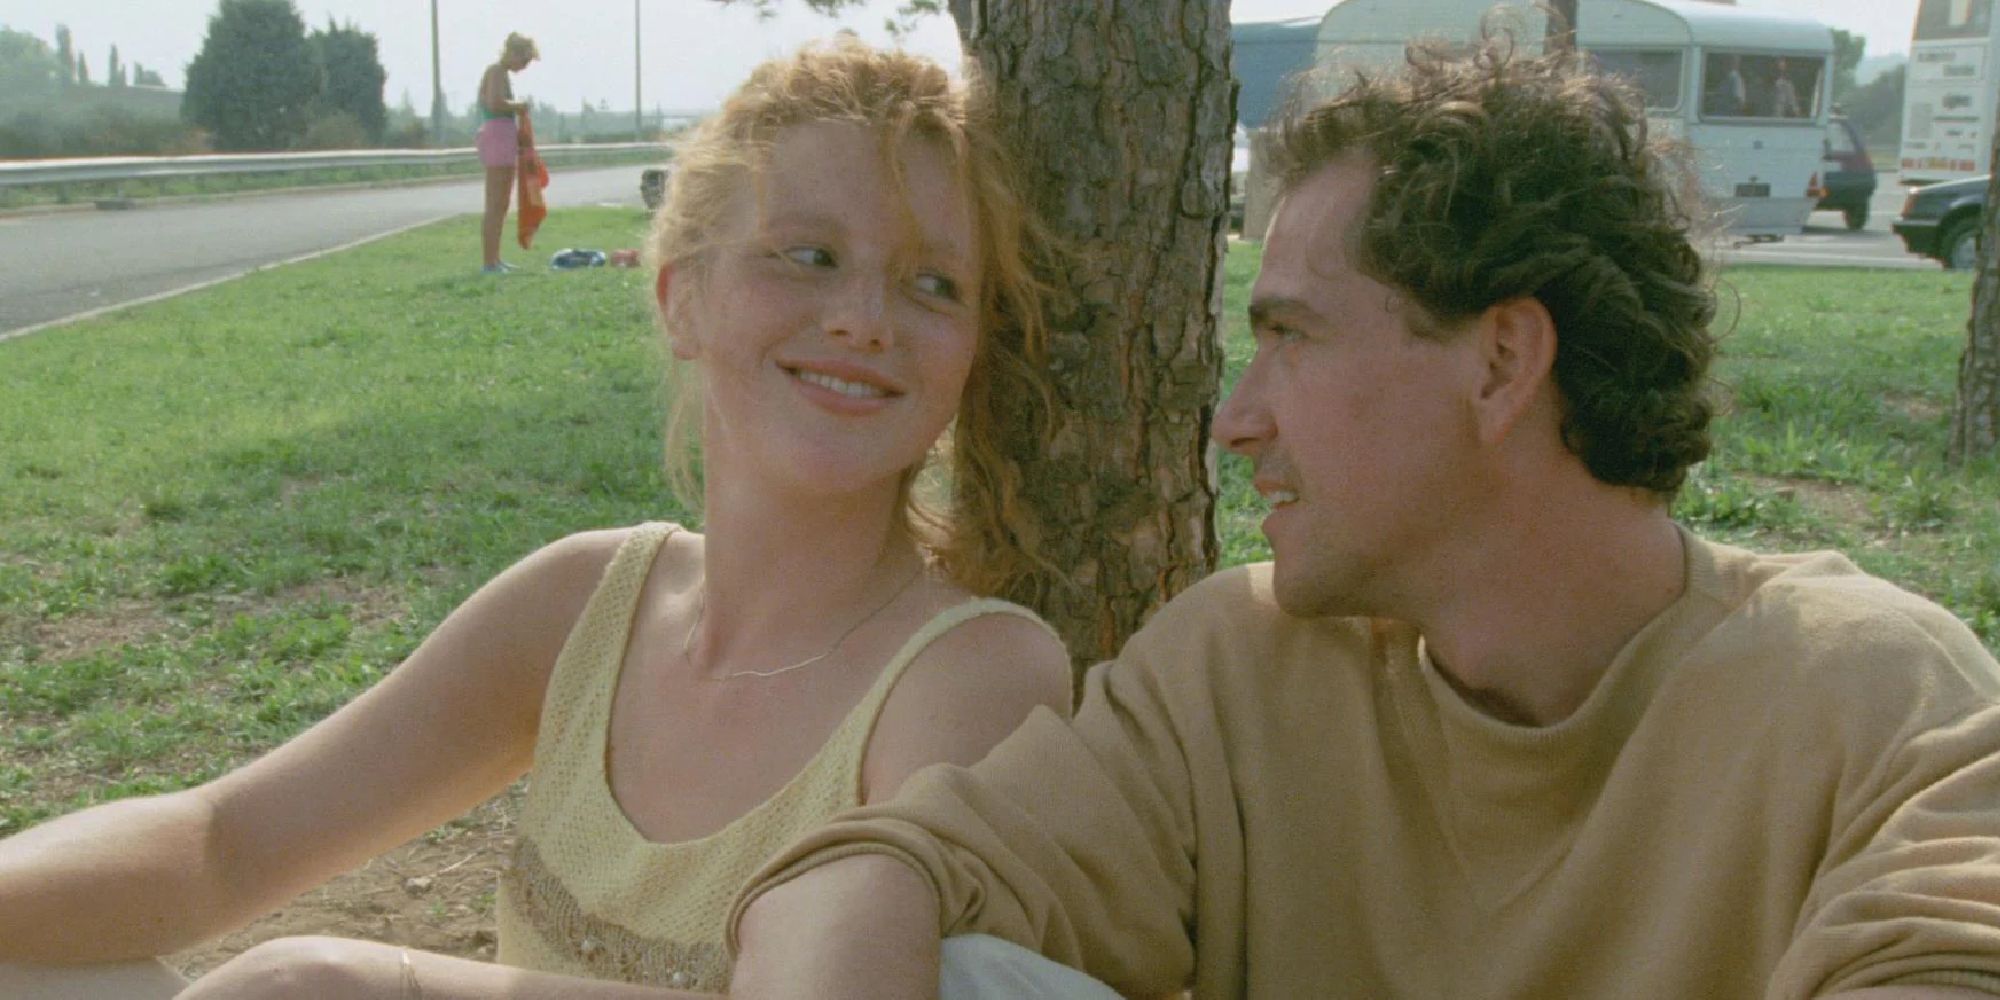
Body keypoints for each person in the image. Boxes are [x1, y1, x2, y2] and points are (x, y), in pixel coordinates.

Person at [718, 38, 2000, 1000]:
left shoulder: (1870, 697)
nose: (1233, 419)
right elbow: (868, 880)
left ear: (1498, 363)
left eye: (1288, 337)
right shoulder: (1235, 668)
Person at [0, 39, 1074, 999]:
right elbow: (223, 844)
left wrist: (360, 980)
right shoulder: (585, 604)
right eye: (807, 255)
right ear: (680, 296)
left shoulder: (975, 675)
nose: (862, 318)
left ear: (975, 349)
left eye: (932, 283)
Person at [478, 32, 538, 274]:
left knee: (502, 204)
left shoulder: (503, 74)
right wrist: (519, 105)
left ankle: (496, 258)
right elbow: (494, 102)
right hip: (496, 135)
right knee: (494, 204)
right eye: (523, 61)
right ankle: (488, 262)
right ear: (513, 54)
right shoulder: (495, 72)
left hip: (504, 136)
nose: (523, 67)